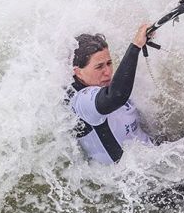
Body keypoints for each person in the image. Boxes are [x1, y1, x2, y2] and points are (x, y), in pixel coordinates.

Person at [66, 24, 155, 164]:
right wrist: (136, 46)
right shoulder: (81, 101)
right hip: (136, 180)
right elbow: (115, 96)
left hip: (158, 157)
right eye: (99, 66)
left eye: (109, 63)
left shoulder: (108, 84)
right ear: (78, 72)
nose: (108, 72)